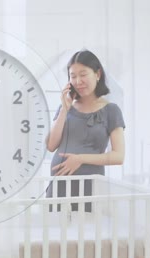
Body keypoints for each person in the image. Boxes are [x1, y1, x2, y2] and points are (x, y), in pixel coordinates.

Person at [45, 50, 125, 211]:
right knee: (56, 233)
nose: (78, 81)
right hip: (59, 186)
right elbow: (51, 145)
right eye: (73, 76)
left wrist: (80, 159)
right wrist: (64, 110)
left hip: (90, 187)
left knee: (86, 232)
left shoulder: (111, 110)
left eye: (83, 74)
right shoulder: (65, 108)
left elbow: (118, 156)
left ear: (97, 74)